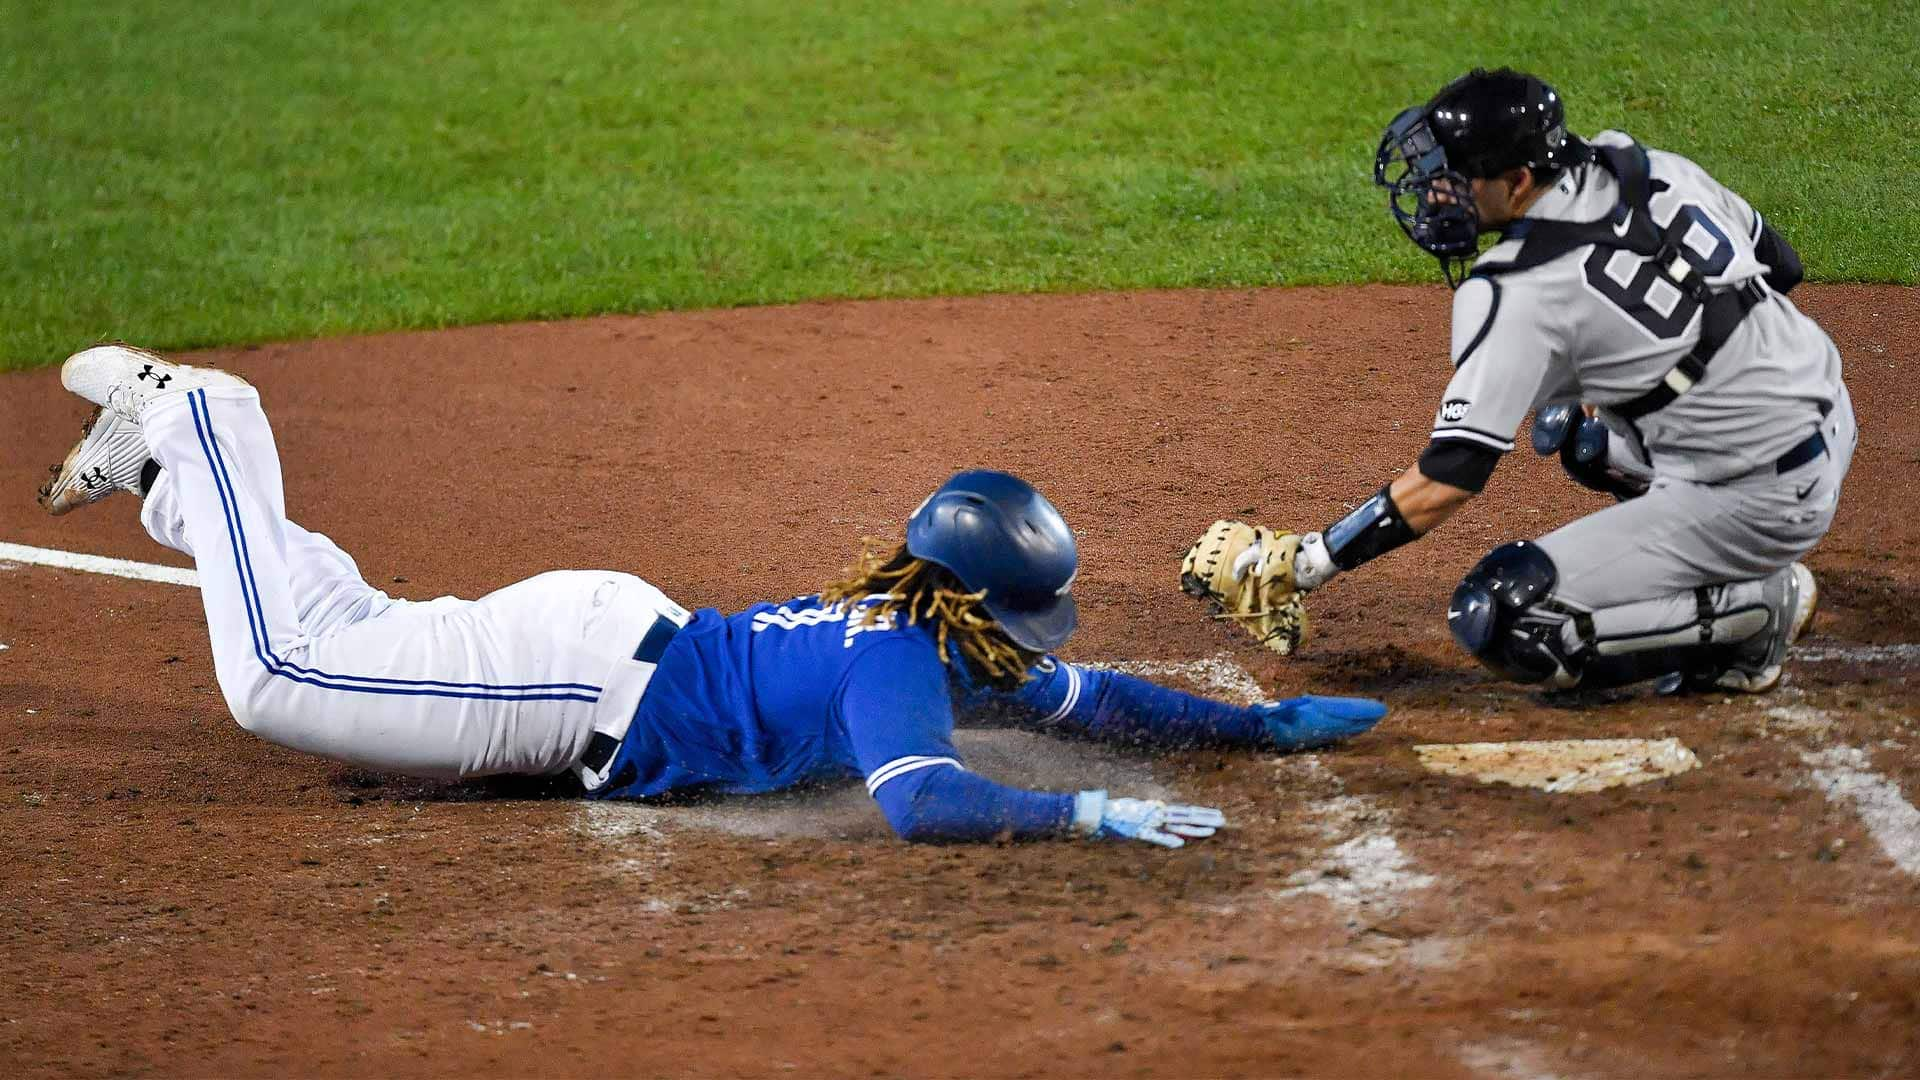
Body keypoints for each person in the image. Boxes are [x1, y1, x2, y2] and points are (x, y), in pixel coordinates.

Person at [38, 344, 1387, 847]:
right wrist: (1079, 816)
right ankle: (209, 417)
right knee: (282, 679)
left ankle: (173, 480)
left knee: (351, 638)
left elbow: (1093, 700)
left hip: (599, 650)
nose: (1040, 646)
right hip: (569, 683)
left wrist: (1254, 730)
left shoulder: (935, 622)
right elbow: (922, 803)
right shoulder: (903, 666)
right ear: (981, 596)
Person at [1197, 68, 1853, 695]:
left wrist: (1311, 560)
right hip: (1828, 412)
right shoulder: (1648, 166)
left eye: (1456, 179)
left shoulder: (1517, 291)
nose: (1436, 193)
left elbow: (1452, 471)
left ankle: (1755, 613)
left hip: (1759, 498)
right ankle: (1720, 531)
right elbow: (1780, 265)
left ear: (1515, 180)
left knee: (1507, 618)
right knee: (1578, 434)